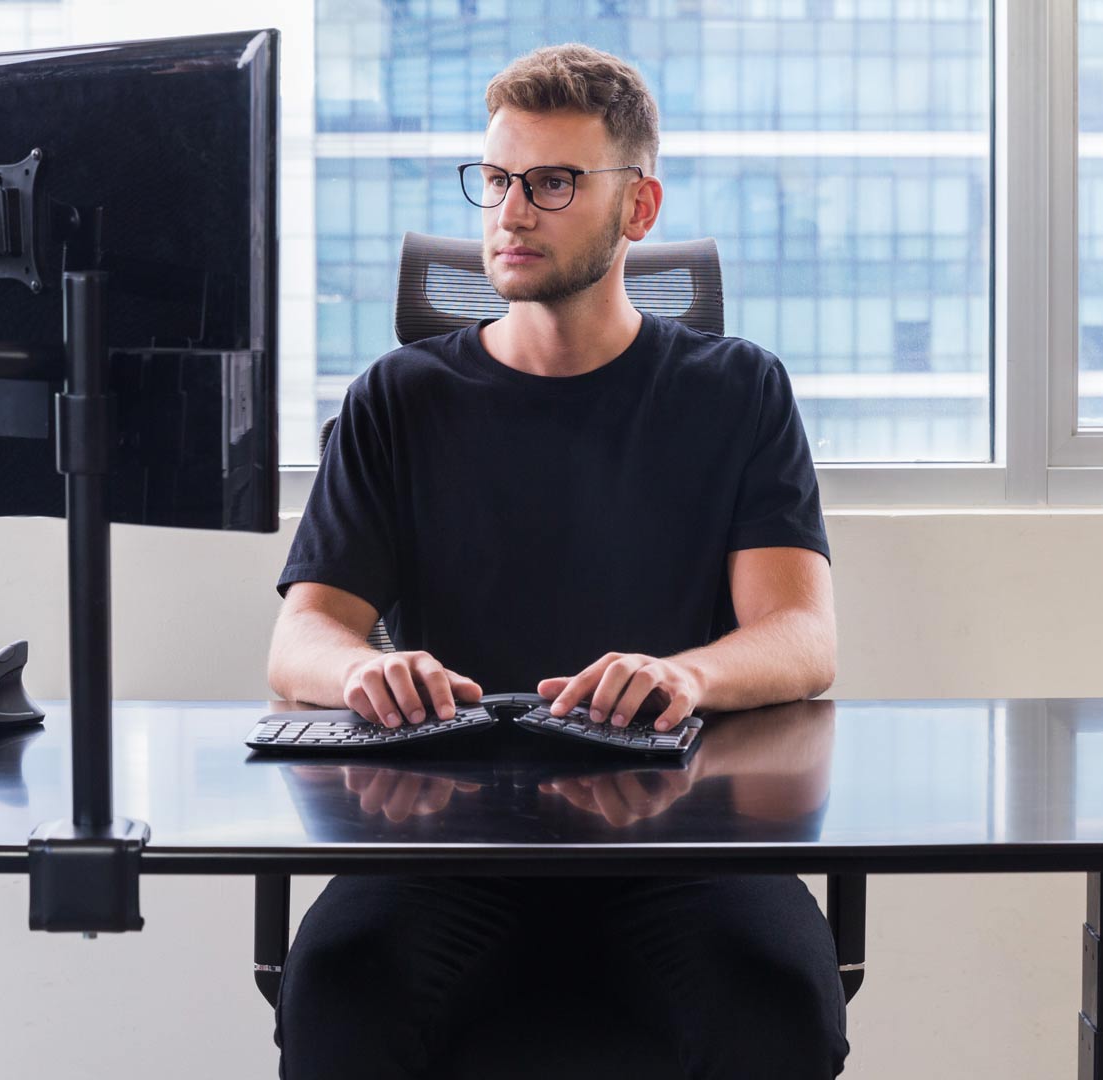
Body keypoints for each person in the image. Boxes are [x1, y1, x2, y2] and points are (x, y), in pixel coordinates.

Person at [266, 42, 846, 1079]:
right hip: (453, 842)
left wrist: (685, 674)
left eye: (552, 182)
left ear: (639, 208)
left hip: (682, 837)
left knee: (776, 1004)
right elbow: (303, 634)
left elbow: (801, 636)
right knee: (343, 995)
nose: (510, 213)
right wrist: (361, 671)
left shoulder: (737, 391)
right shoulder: (398, 400)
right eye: (495, 181)